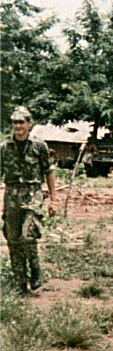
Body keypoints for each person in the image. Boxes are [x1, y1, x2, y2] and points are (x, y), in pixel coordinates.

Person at [0, 106, 57, 294]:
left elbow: (48, 172)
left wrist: (53, 200)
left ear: (29, 123)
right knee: (13, 239)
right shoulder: (4, 147)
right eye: (15, 122)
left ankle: (35, 268)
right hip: (11, 197)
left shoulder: (39, 146)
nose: (18, 126)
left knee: (28, 234)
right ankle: (19, 281)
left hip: (32, 195)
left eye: (21, 122)